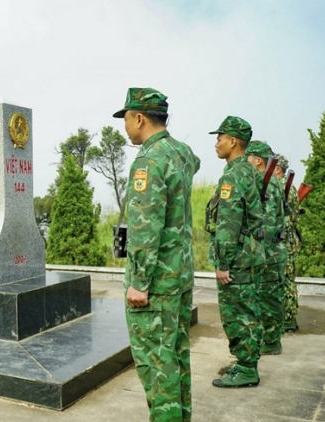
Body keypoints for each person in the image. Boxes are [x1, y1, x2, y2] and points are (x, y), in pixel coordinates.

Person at [113, 87, 200, 422]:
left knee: (156, 363)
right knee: (176, 354)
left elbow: (145, 230)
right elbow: (195, 162)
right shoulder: (182, 152)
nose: (126, 126)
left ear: (139, 118)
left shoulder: (148, 161)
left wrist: (138, 282)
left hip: (157, 283)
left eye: (126, 119)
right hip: (179, 275)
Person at [206, 116, 265, 387]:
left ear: (232, 141)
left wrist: (222, 262)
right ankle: (246, 364)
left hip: (237, 258)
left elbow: (229, 224)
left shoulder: (234, 175)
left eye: (219, 138)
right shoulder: (249, 171)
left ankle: (247, 368)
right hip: (249, 253)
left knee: (237, 314)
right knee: (248, 310)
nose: (216, 143)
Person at [245, 141, 287, 355]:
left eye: (248, 157)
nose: (245, 161)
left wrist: (258, 251)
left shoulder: (265, 183)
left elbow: (268, 224)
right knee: (271, 296)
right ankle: (271, 339)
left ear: (258, 160)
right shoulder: (274, 182)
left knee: (268, 298)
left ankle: (271, 342)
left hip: (269, 252)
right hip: (275, 250)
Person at [274, 154, 301, 332]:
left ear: (277, 168)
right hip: (290, 239)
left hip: (284, 240)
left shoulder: (281, 185)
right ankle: (288, 317)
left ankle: (288, 319)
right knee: (287, 279)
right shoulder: (288, 186)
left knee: (285, 280)